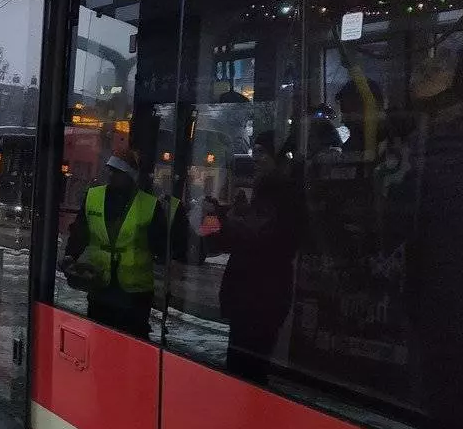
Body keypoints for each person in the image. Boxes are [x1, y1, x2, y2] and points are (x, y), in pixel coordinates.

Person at [206, 132, 304, 384]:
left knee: (247, 371)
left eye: (262, 152)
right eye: (255, 152)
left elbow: (256, 236)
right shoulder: (265, 192)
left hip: (260, 299)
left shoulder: (279, 193)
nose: (256, 158)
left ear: (278, 159)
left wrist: (226, 220)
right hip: (252, 298)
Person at [61, 149, 185, 339]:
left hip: (135, 293)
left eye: (117, 172)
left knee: (132, 343)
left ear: (130, 176)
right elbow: (80, 232)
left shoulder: (150, 205)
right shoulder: (93, 196)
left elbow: (161, 246)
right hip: (100, 286)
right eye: (110, 170)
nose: (111, 175)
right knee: (99, 340)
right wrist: (71, 255)